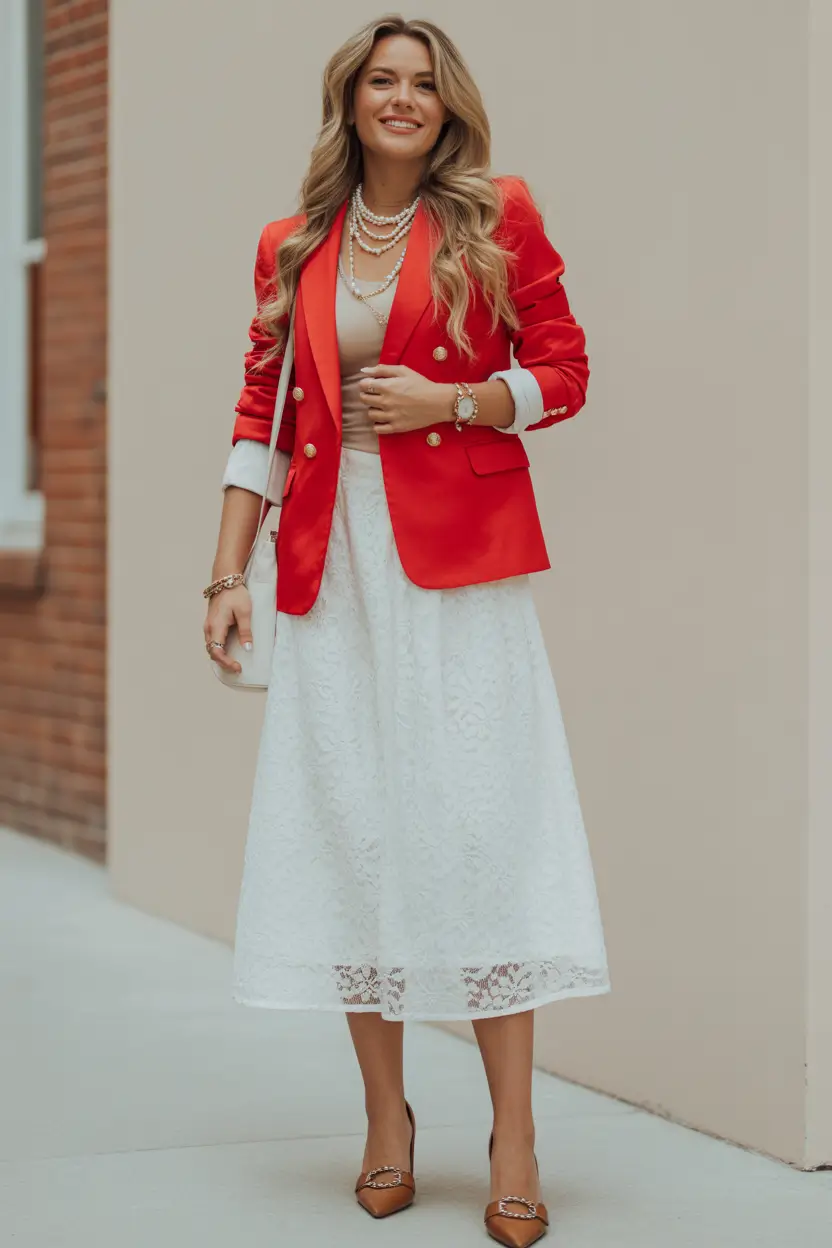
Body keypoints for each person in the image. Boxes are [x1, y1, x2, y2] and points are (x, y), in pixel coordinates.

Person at [204, 14, 610, 1245]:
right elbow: (258, 416)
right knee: (352, 830)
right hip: (333, 565)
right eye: (380, 80)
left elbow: (569, 367)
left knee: (482, 826)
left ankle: (514, 1135)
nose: (401, 99)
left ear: (448, 106)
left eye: (421, 84)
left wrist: (460, 399)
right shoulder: (294, 243)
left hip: (460, 562)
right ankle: (387, 1121)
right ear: (350, 100)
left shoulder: (499, 215)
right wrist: (224, 573)